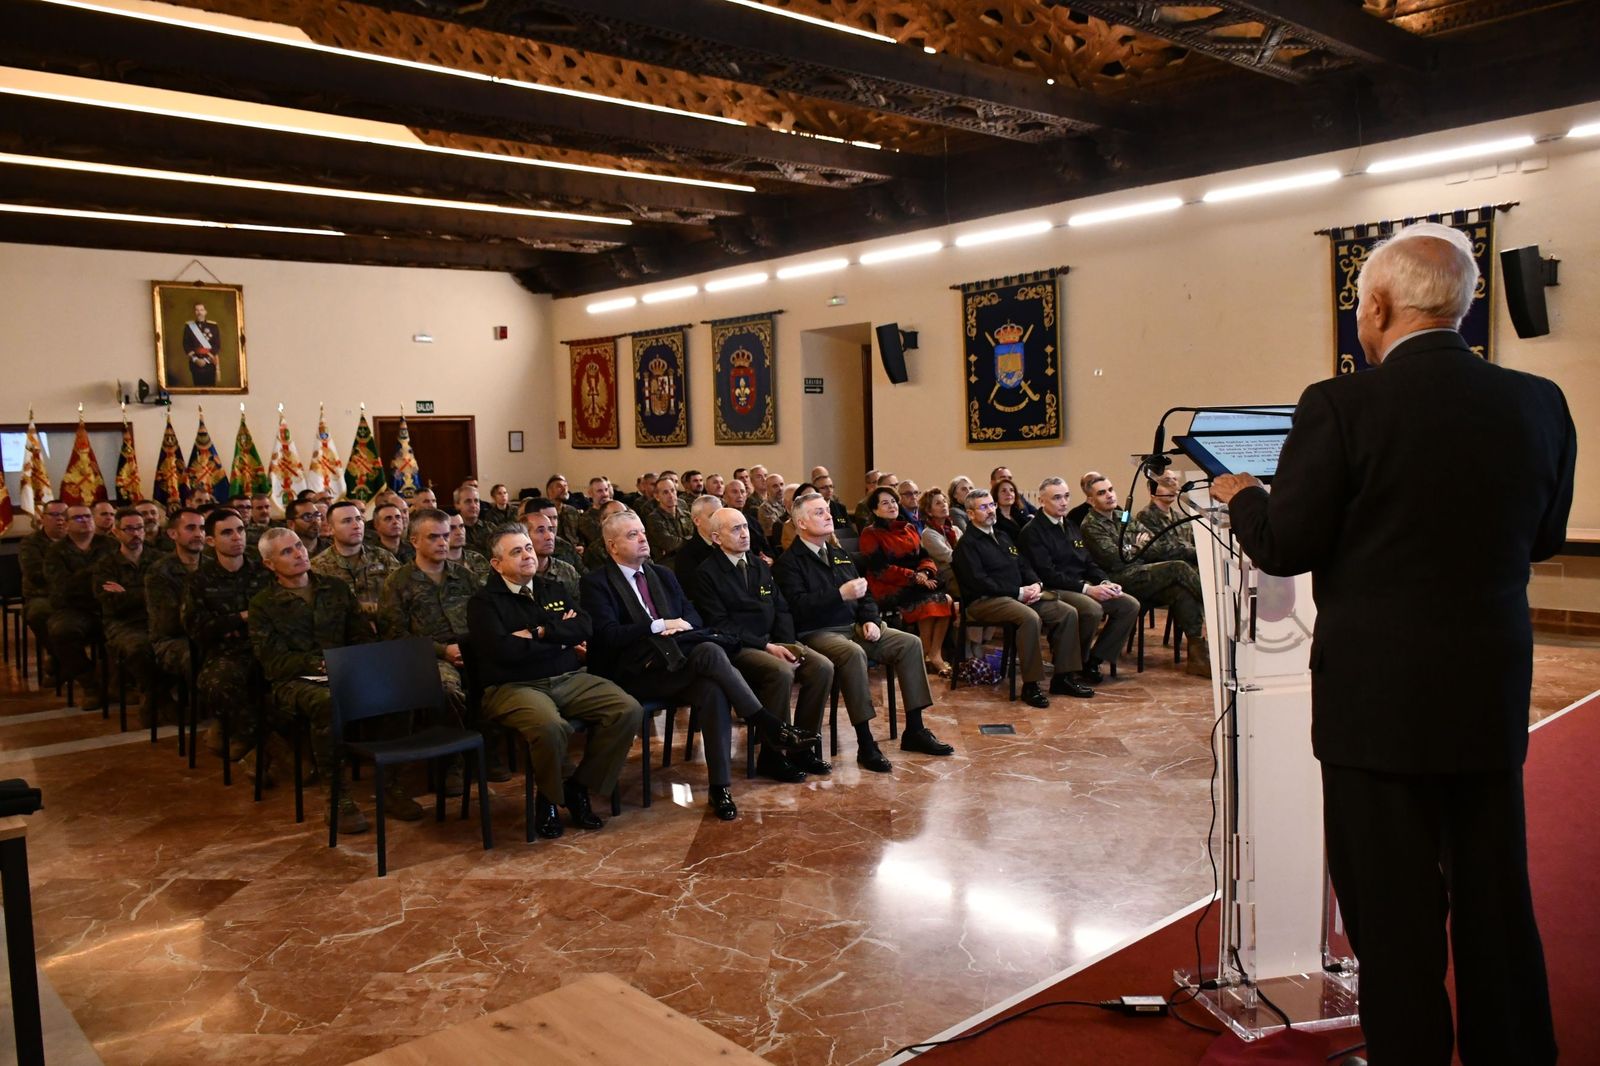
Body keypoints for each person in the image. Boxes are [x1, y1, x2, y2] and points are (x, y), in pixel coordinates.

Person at [1211, 223, 1573, 1066]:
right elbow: (1546, 537)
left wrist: (1241, 495)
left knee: (1393, 906)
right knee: (1494, 892)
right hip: (1487, 685)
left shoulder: (1340, 404)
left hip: (1377, 701)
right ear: (1465, 305)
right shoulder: (1538, 400)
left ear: (1374, 306)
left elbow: (1288, 544)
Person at [580, 510, 818, 820]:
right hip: (633, 673)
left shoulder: (662, 575)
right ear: (612, 546)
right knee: (708, 651)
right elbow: (608, 635)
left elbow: (693, 618)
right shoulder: (597, 583)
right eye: (632, 535)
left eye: (642, 532)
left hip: (674, 662)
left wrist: (677, 625)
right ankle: (769, 724)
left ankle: (720, 787)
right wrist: (658, 625)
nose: (643, 538)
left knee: (712, 689)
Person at [466, 527, 642, 837]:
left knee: (626, 709)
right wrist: (560, 636)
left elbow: (585, 626)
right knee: (550, 726)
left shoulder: (552, 588)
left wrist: (539, 633)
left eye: (528, 548)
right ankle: (548, 798)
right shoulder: (483, 603)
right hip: (513, 686)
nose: (527, 555)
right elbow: (503, 651)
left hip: (567, 677)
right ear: (496, 564)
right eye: (516, 552)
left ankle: (578, 787)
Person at [250, 528, 416, 833]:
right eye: (287, 552)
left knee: (397, 689)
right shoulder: (263, 604)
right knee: (327, 703)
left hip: (344, 669)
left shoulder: (335, 588)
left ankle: (391, 784)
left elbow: (361, 635)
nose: (299, 553)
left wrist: (352, 663)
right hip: (295, 680)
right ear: (269, 564)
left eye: (299, 546)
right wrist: (320, 664)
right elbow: (273, 662)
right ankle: (338, 797)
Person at [774, 494, 953, 771]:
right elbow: (797, 608)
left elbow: (865, 593)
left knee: (909, 643)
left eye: (827, 511)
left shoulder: (838, 554)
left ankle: (915, 730)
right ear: (801, 522)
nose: (828, 515)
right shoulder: (789, 562)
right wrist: (838, 595)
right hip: (819, 632)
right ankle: (866, 742)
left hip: (855, 626)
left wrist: (869, 618)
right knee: (853, 653)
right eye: (819, 513)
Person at [692, 507, 835, 781]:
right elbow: (719, 624)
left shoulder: (758, 565)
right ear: (716, 538)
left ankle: (802, 747)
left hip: (773, 641)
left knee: (822, 667)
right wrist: (767, 646)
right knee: (779, 671)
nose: (745, 533)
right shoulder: (707, 573)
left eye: (745, 526)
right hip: (737, 648)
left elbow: (781, 608)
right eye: (736, 529)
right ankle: (773, 754)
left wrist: (785, 643)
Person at [377, 507, 487, 793]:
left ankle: (489, 752)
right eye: (433, 537)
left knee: (508, 674)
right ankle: (452, 763)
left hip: (471, 649)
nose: (443, 542)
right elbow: (394, 635)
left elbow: (484, 616)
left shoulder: (465, 577)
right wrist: (442, 650)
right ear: (414, 540)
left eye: (446, 535)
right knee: (448, 689)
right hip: (427, 656)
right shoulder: (398, 582)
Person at [954, 489, 1093, 704]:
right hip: (984, 601)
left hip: (1017, 596)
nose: (991, 510)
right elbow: (979, 582)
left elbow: (1023, 565)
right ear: (970, 514)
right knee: (1029, 618)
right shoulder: (967, 545)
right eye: (983, 507)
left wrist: (1035, 584)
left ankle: (1063, 677)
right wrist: (1018, 592)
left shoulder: (1001, 535)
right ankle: (1031, 684)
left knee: (1066, 612)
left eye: (991, 505)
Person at [1080, 474, 1211, 678]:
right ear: (1091, 500)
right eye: (1101, 493)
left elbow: (1154, 545)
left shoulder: (1122, 515)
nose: (1109, 495)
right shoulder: (1090, 525)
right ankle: (1214, 607)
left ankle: (1197, 656)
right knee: (1178, 567)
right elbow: (1115, 559)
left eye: (1111, 490)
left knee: (1181, 591)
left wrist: (1133, 548)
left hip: (1141, 573)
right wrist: (1137, 546)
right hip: (1118, 579)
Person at [1019, 478, 1139, 684]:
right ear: (1041, 501)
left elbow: (1087, 561)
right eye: (1057, 498)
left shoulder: (1071, 525)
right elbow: (1048, 574)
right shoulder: (1033, 531)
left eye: (1066, 496)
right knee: (1091, 609)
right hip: (1052, 588)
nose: (1064, 502)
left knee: (1128, 605)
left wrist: (1103, 582)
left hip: (1079, 584)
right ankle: (1073, 663)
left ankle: (1094, 659)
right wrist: (1087, 589)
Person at [184, 509, 271, 761]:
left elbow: (278, 612)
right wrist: (242, 617)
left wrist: (227, 622)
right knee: (217, 682)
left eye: (241, 530)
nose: (237, 537)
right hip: (226, 653)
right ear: (210, 541)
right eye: (227, 532)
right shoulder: (199, 580)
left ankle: (256, 739)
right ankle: (248, 735)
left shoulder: (263, 572)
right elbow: (198, 629)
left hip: (265, 647)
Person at [858, 487, 954, 677]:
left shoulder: (908, 528)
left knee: (947, 600)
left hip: (916, 581)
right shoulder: (870, 533)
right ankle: (924, 655)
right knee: (928, 603)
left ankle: (933, 653)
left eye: (893, 501)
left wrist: (925, 572)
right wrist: (914, 577)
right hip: (887, 586)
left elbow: (924, 556)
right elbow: (880, 569)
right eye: (885, 503)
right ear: (875, 510)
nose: (892, 505)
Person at [94, 507, 165, 725]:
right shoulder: (105, 565)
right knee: (139, 648)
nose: (135, 534)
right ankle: (154, 696)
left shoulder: (159, 559)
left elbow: (167, 595)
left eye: (139, 528)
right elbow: (113, 604)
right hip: (123, 624)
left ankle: (159, 696)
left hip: (157, 619)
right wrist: (147, 593)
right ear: (116, 532)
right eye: (129, 529)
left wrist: (128, 592)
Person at [45, 503, 113, 710]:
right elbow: (62, 587)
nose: (85, 521)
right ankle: (89, 682)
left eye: (88, 517)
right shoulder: (56, 551)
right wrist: (96, 574)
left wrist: (86, 578)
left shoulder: (109, 545)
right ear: (66, 524)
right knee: (61, 631)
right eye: (78, 518)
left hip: (108, 606)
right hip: (74, 608)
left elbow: (118, 579)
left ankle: (120, 683)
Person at [143, 507, 205, 708]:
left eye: (202, 528)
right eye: (190, 528)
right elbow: (169, 622)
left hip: (209, 631)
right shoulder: (160, 572)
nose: (198, 534)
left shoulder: (212, 565)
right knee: (196, 657)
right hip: (173, 639)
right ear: (172, 534)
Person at [310, 500, 400, 622]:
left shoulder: (383, 557)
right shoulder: (318, 566)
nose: (356, 525)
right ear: (331, 529)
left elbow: (403, 595)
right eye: (347, 521)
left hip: (386, 630)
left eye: (358, 519)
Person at [19, 500, 69, 686]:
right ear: (43, 518)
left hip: (74, 595)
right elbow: (36, 574)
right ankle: (61, 657)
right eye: (54, 515)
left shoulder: (77, 539)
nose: (60, 520)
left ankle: (62, 658)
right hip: (42, 594)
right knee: (38, 613)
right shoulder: (31, 543)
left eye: (64, 515)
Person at [521, 506, 583, 601]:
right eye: (540, 531)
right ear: (524, 537)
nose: (549, 536)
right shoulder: (518, 573)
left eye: (551, 530)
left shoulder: (567, 571)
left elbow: (581, 607)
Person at [1136, 472, 1197, 566]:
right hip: (1172, 569)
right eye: (1167, 481)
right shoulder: (1146, 516)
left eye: (1175, 480)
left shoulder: (1180, 516)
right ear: (1151, 489)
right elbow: (1161, 550)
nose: (1172, 486)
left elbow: (1195, 540)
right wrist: (1193, 552)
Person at [672, 494, 723, 602]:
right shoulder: (686, 555)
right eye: (712, 516)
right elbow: (695, 594)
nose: (719, 521)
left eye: (721, 515)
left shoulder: (732, 543)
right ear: (697, 521)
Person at [917, 488, 961, 594]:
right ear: (929, 511)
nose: (943, 505)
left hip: (962, 569)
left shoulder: (955, 529)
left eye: (944, 501)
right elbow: (950, 557)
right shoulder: (928, 534)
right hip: (947, 576)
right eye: (938, 503)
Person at [644, 476, 693, 564]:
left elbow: (694, 534)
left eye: (672, 490)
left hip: (689, 556)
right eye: (665, 492)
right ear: (657, 496)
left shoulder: (685, 513)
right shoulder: (654, 518)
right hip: (668, 561)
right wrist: (690, 541)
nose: (671, 495)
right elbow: (670, 544)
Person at [722, 477, 772, 558]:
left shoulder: (753, 521)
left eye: (742, 492)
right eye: (734, 492)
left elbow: (766, 547)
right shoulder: (721, 521)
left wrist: (770, 559)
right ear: (725, 497)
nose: (740, 495)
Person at [182, 301, 222, 387]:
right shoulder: (189, 326)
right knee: (197, 389)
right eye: (197, 310)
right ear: (194, 312)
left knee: (211, 390)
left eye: (201, 310)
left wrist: (206, 360)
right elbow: (186, 344)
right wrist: (195, 359)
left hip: (209, 362)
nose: (199, 312)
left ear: (205, 311)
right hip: (195, 363)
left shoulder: (213, 326)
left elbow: (217, 345)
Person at [447, 512, 492, 584]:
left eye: (461, 526)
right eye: (452, 528)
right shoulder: (436, 565)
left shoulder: (477, 558)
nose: (459, 532)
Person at [369, 499, 415, 564]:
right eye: (388, 519)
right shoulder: (370, 553)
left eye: (398, 517)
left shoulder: (413, 549)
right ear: (376, 525)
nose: (395, 522)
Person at [455, 483, 492, 557]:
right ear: (457, 505)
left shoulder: (491, 527)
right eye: (468, 501)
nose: (473, 505)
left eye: (476, 501)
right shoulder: (453, 531)